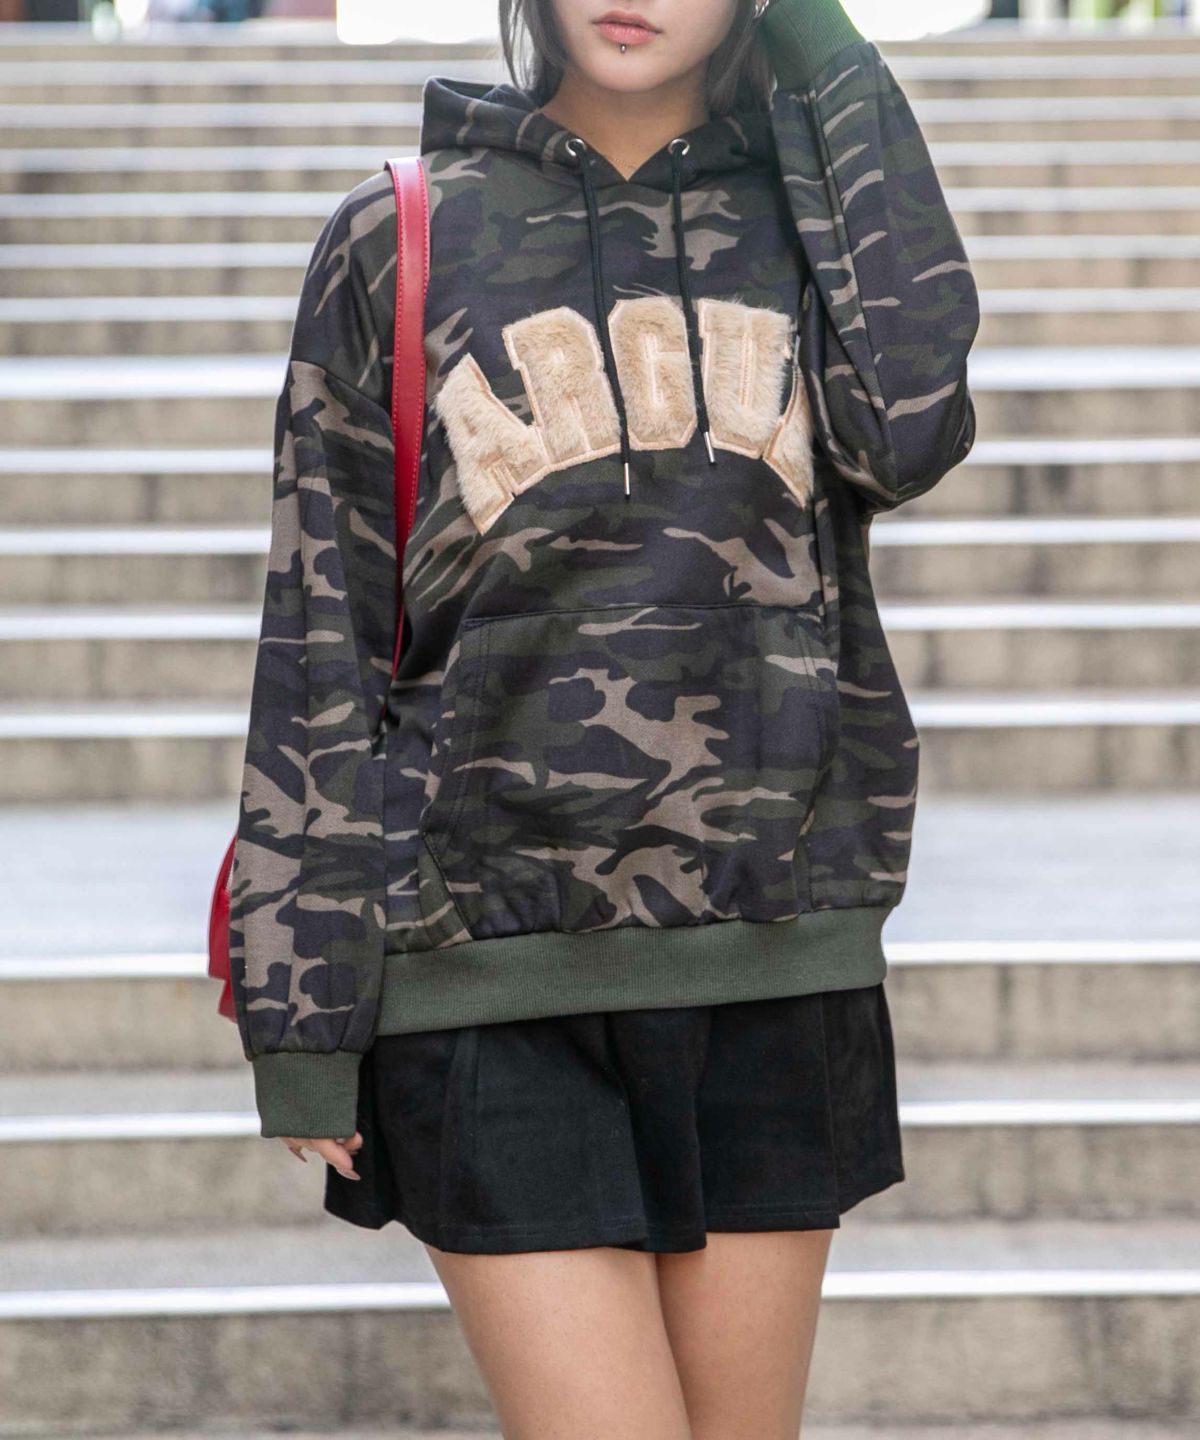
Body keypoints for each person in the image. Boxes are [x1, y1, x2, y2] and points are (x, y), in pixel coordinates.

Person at [227, 0, 979, 1432]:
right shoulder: (398, 236)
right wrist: (302, 1005)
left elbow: (913, 426)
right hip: (487, 969)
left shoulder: (815, 235)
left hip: (769, 962)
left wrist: (827, 50)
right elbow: (319, 630)